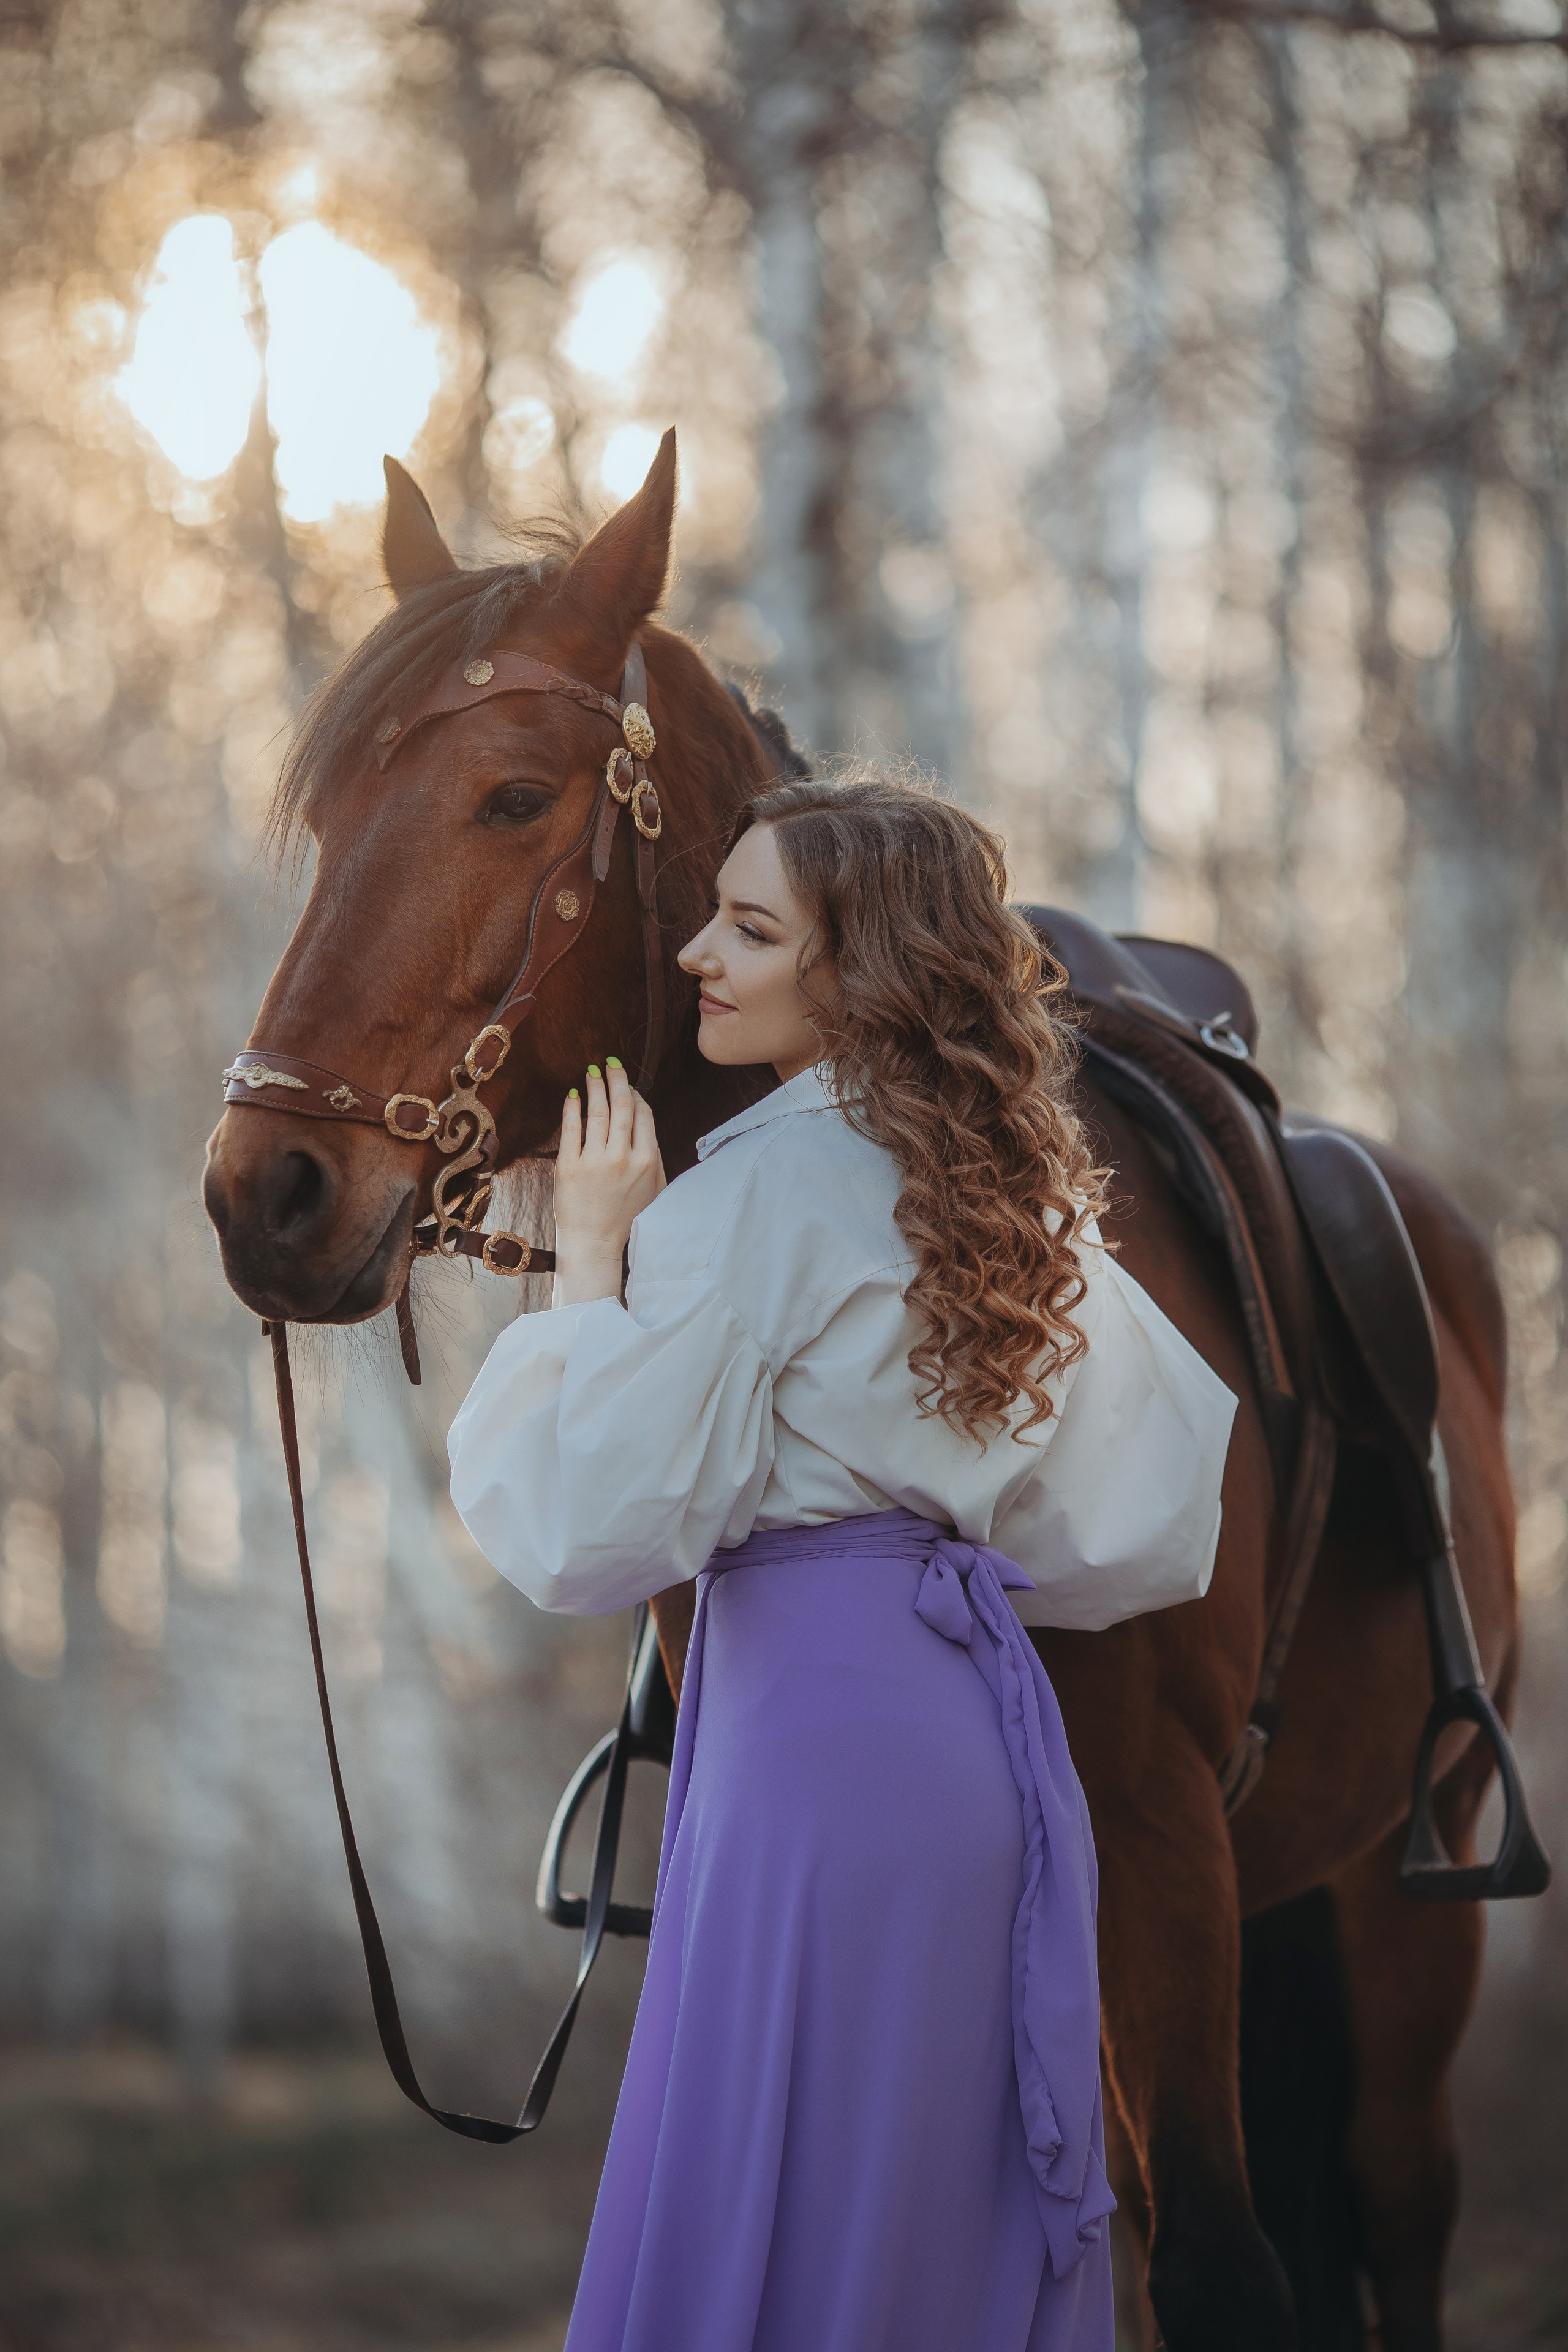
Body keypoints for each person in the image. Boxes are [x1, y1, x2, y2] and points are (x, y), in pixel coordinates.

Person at [448, 777, 1236, 2352]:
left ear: (859, 967)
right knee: (926, 2205)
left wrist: (595, 1259)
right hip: (971, 1749)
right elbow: (1143, 1513)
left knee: (778, 2200)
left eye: (749, 929)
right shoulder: (1012, 1202)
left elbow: (584, 1532)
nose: (691, 955)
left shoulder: (750, 1198)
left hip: (803, 1762)